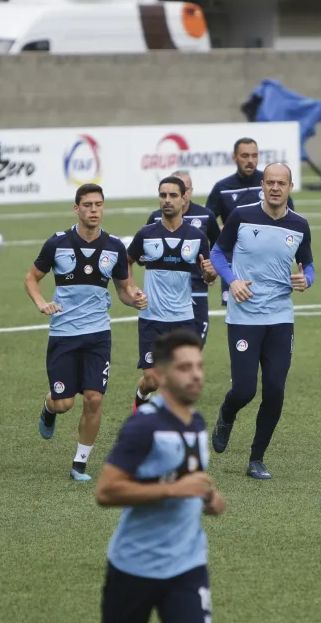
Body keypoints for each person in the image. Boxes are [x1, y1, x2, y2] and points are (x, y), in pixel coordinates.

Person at [93, 329, 226, 623]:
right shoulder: (143, 427)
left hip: (186, 564)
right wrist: (174, 490)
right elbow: (106, 491)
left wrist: (208, 497)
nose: (195, 375)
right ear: (162, 375)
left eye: (199, 366)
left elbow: (195, 488)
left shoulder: (196, 422)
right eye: (184, 368)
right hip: (135, 565)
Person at [24, 183, 147, 481]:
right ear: (76, 208)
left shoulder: (115, 246)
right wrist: (41, 302)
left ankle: (80, 463)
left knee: (94, 398)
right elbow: (32, 278)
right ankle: (49, 408)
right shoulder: (57, 243)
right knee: (64, 403)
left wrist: (135, 299)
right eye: (88, 205)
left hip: (98, 335)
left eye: (99, 204)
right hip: (64, 334)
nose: (94, 210)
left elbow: (123, 290)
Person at [209, 162, 314, 480]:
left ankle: (257, 458)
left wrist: (305, 280)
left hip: (280, 319)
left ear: (290, 187)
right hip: (243, 317)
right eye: (270, 182)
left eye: (281, 183)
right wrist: (232, 280)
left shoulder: (299, 225)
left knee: (275, 390)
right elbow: (217, 254)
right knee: (244, 390)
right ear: (262, 186)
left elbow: (307, 265)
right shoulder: (242, 216)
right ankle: (227, 413)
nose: (275, 188)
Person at [129, 176, 218, 410]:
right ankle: (141, 393)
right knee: (153, 380)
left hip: (183, 317)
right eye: (163, 195)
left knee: (182, 375)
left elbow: (208, 276)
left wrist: (210, 273)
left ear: (184, 198)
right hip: (151, 318)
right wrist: (131, 288)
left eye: (173, 195)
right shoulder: (146, 234)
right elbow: (125, 262)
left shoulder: (197, 237)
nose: (167, 200)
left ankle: (170, 422)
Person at [204, 138, 295, 307]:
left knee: (270, 307)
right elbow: (205, 223)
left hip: (268, 262)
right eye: (245, 156)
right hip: (234, 263)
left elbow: (290, 220)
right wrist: (222, 230)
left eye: (254, 156)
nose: (250, 160)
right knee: (237, 310)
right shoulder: (222, 188)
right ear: (234, 157)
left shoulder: (271, 184)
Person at [145, 170, 220, 346]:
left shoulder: (206, 215)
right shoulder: (156, 217)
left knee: (193, 348)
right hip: (164, 294)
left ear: (190, 191)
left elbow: (219, 248)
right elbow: (141, 254)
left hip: (196, 290)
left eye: (183, 189)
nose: (175, 196)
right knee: (165, 356)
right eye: (167, 193)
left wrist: (212, 271)